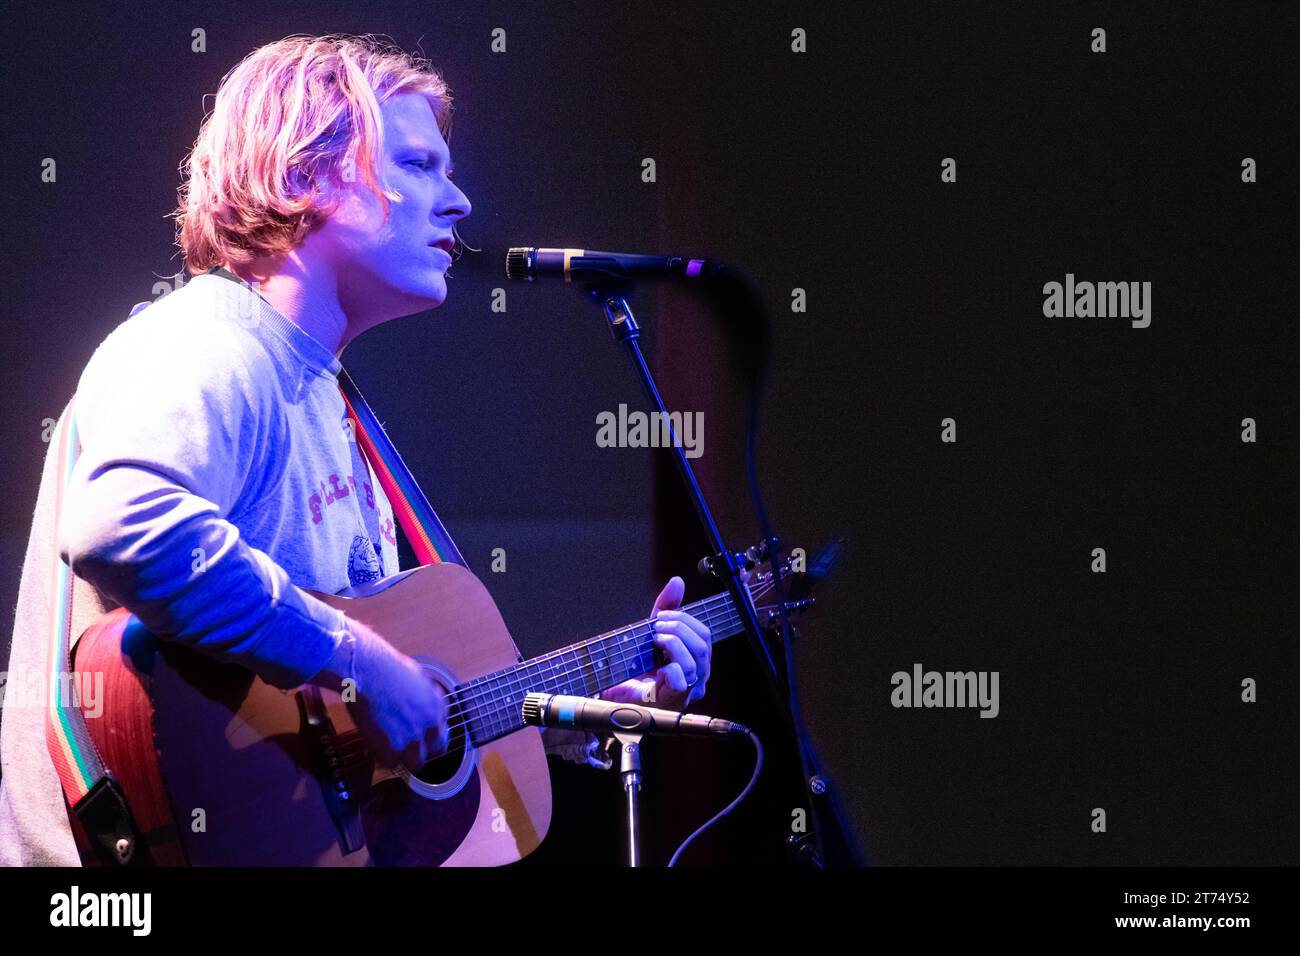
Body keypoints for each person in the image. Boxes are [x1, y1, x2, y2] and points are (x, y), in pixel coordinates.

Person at [0, 33, 711, 866]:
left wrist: (581, 713)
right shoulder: (205, 341)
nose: (459, 202)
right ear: (303, 172)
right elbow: (124, 527)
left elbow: (345, 730)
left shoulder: (326, 398)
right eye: (417, 166)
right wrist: (362, 662)